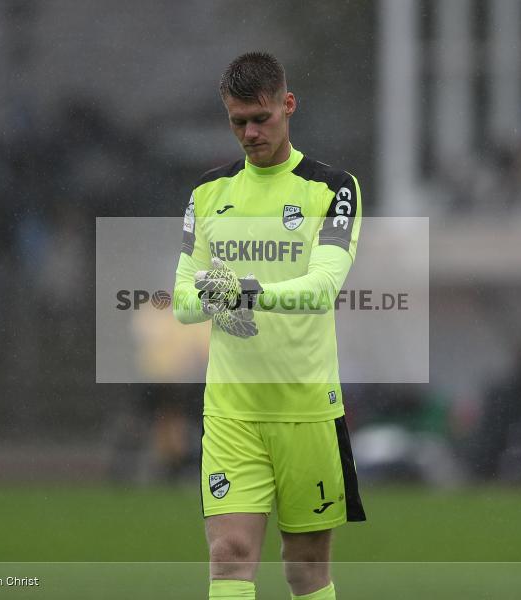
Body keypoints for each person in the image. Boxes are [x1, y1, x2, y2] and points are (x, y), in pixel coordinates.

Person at [173, 52, 365, 600]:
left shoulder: (333, 188)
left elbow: (323, 286)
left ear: (288, 105)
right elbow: (184, 302)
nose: (251, 132)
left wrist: (242, 291)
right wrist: (219, 293)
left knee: (305, 569)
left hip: (308, 408)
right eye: (239, 122)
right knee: (229, 556)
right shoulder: (208, 194)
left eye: (262, 118)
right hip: (233, 408)